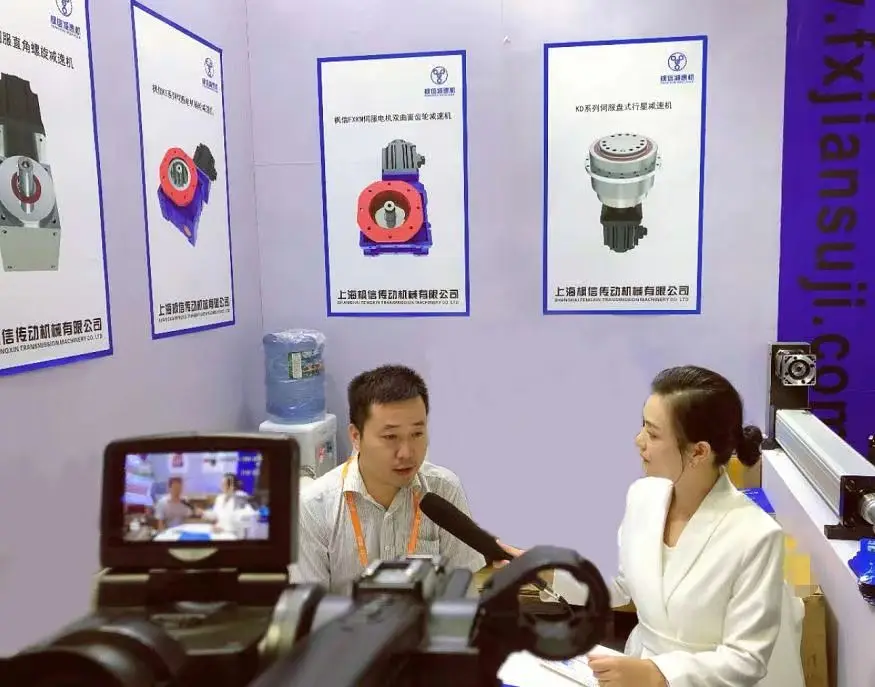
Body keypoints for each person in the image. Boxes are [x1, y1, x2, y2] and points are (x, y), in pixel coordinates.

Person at [501, 366, 804, 687]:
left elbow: (746, 660)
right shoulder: (643, 496)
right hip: (635, 671)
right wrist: (549, 572)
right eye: (642, 427)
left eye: (653, 434)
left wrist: (658, 674)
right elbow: (623, 585)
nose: (638, 441)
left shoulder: (755, 535)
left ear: (698, 451)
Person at [290, 364, 486, 592]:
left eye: (417, 434)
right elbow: (308, 607)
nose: (406, 453)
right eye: (390, 437)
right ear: (356, 436)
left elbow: (463, 593)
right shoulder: (313, 508)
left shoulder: (444, 490)